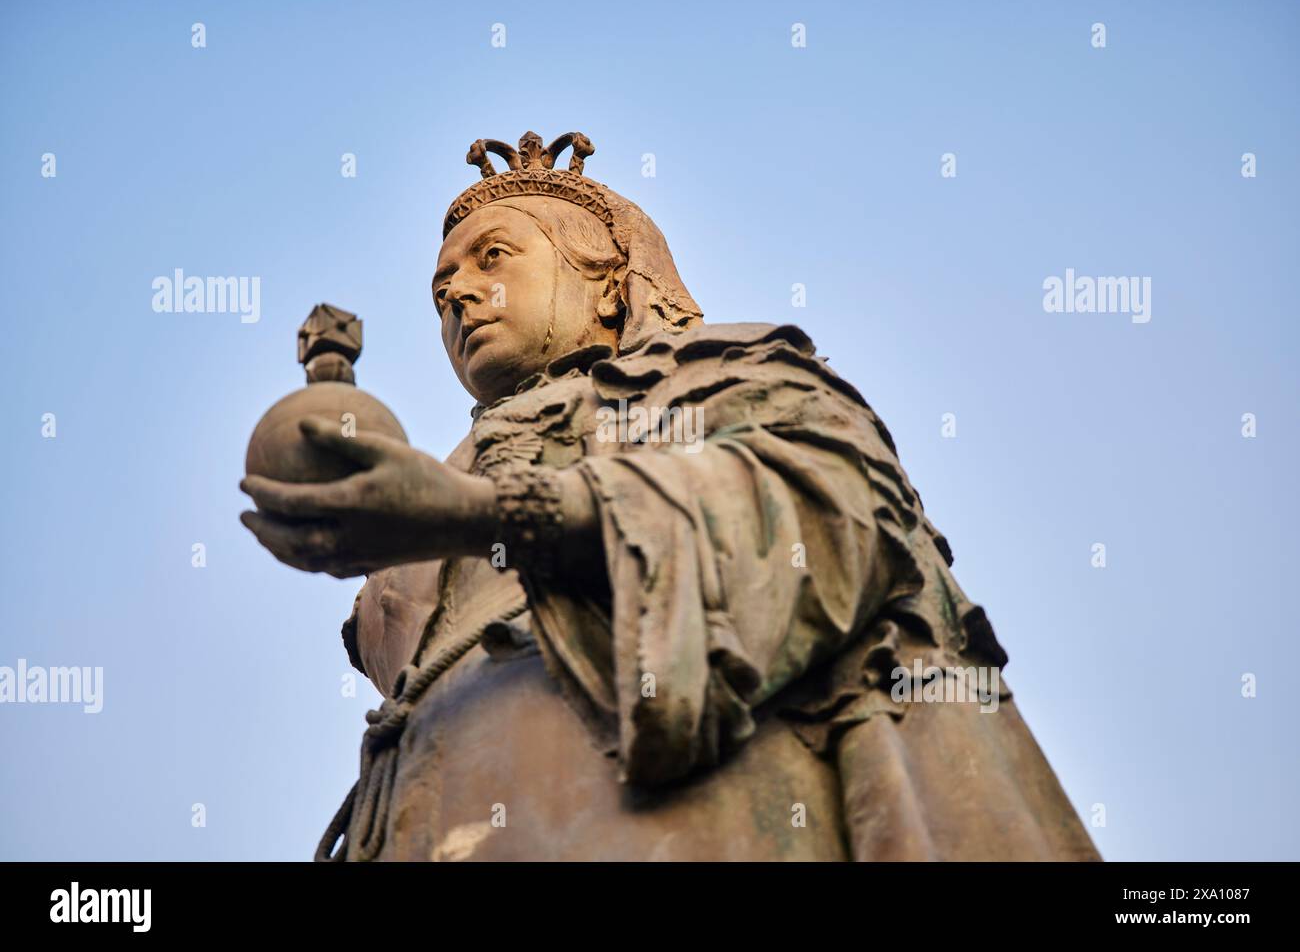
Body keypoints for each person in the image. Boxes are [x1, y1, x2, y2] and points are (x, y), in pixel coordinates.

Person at [240, 131, 1100, 861]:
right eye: (440, 289)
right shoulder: (444, 467)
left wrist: (493, 516)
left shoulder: (720, 374)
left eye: (493, 257)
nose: (458, 292)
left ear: (610, 279)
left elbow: (837, 511)